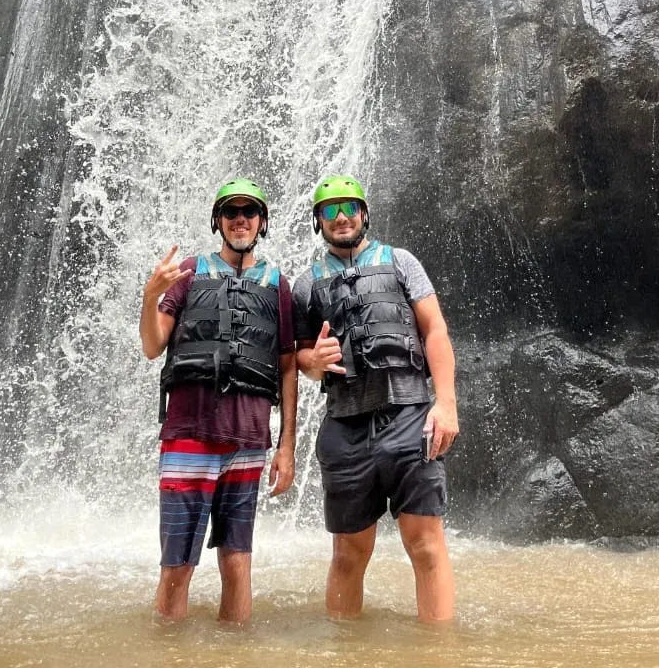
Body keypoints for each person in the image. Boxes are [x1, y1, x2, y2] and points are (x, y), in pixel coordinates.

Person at [292, 173, 458, 623]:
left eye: (350, 207)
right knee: (348, 553)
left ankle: (438, 649)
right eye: (330, 210)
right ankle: (346, 648)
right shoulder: (306, 286)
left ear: (364, 213)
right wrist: (313, 361)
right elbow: (300, 358)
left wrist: (446, 404)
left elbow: (434, 330)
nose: (341, 217)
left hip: (410, 417)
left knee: (425, 545)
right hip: (345, 426)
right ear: (319, 221)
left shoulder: (401, 262)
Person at [140, 178, 297, 624]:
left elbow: (287, 367)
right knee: (177, 568)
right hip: (189, 437)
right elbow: (152, 346)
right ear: (218, 220)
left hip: (248, 441)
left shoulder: (277, 285)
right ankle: (168, 651)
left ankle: (235, 651)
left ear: (262, 222)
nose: (240, 220)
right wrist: (150, 295)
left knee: (237, 562)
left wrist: (286, 446)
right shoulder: (190, 272)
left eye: (249, 212)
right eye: (231, 212)